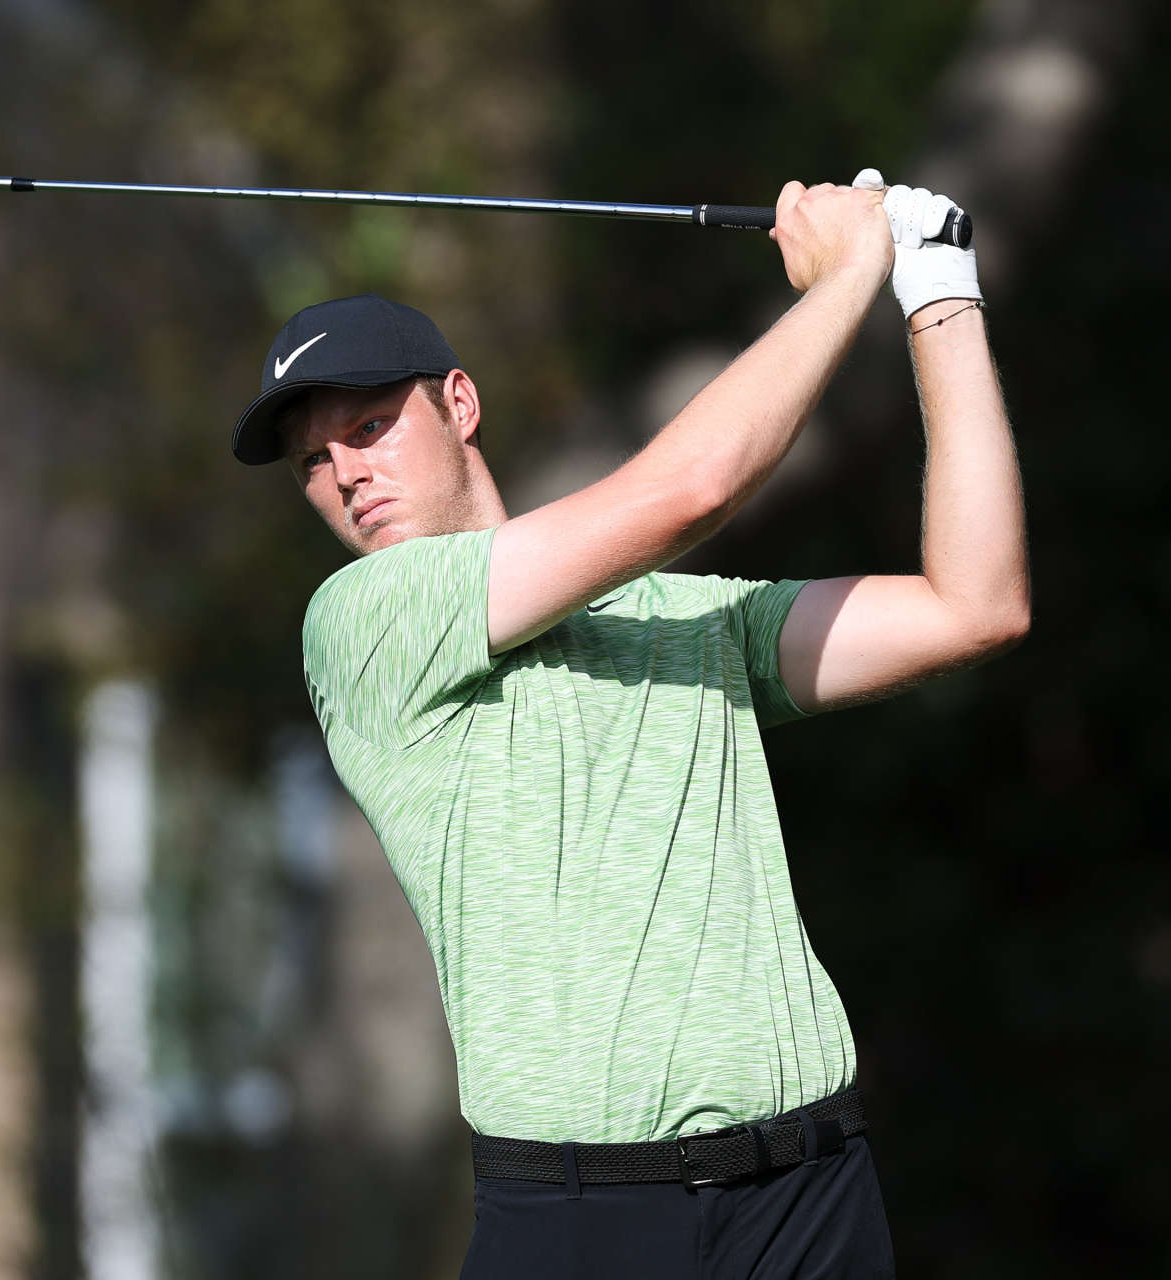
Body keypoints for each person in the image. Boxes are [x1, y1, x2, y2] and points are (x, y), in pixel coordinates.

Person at [228, 170, 1028, 1279]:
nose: (346, 474)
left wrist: (937, 292)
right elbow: (691, 487)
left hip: (812, 1197)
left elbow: (976, 603)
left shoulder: (685, 617)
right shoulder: (363, 625)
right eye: (316, 460)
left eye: (368, 426)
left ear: (459, 403)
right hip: (584, 1222)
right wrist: (849, 277)